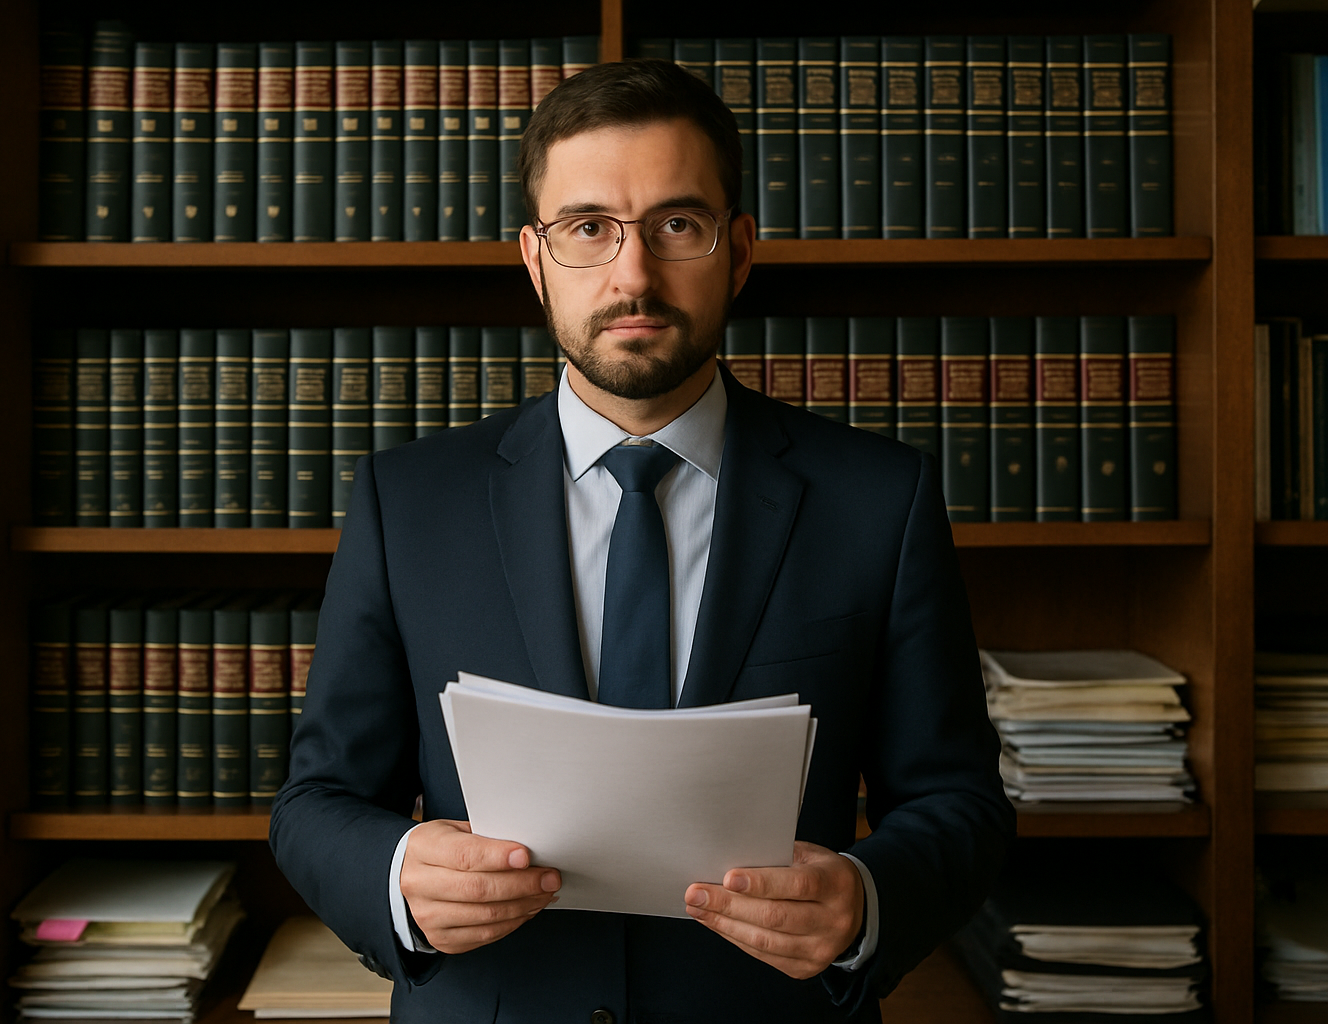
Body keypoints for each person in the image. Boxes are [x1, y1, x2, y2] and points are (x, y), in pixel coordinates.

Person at [271, 59, 1013, 1024]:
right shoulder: (407, 502)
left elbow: (960, 804)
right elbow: (315, 801)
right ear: (534, 259)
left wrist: (867, 904)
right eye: (588, 229)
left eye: (677, 224)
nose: (633, 274)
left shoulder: (880, 499)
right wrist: (400, 876)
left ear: (739, 250)